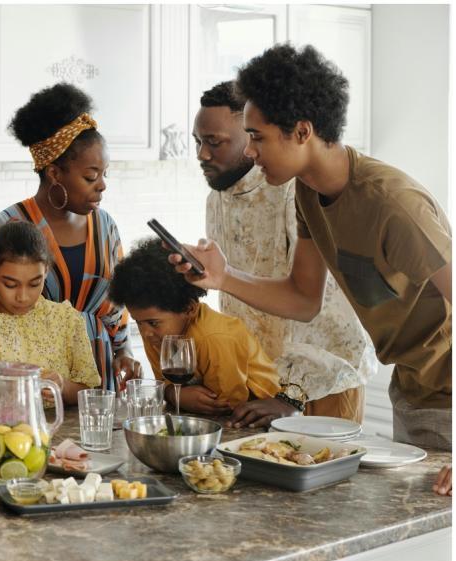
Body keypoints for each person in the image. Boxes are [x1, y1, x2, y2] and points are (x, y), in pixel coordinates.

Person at [170, 44, 452, 495]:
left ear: (302, 131)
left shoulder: (393, 203)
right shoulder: (308, 193)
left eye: (258, 137)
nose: (251, 151)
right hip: (414, 388)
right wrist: (223, 277)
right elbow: (303, 299)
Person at [195, 80, 378, 423]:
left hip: (321, 386)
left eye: (214, 142)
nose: (202, 154)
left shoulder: (297, 191)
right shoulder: (215, 200)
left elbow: (327, 306)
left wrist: (292, 394)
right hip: (258, 385)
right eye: (198, 141)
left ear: (250, 136)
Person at [0, 83, 142, 391]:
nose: (102, 185)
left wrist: (125, 353)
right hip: (31, 385)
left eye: (105, 174)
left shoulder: (106, 226)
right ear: (54, 173)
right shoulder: (0, 228)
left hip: (98, 382)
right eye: (91, 176)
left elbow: (116, 311)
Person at [109, 239, 300, 424]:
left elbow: (226, 405)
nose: (145, 332)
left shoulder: (215, 337)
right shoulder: (157, 335)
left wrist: (178, 396)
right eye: (138, 323)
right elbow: (164, 384)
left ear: (189, 309)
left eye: (152, 323)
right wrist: (176, 395)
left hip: (263, 416)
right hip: (209, 417)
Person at [0, 221, 100, 405]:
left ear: (46, 271)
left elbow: (88, 391)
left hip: (57, 424)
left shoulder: (66, 320)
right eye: (10, 285)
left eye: (34, 284)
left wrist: (62, 386)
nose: (23, 297)